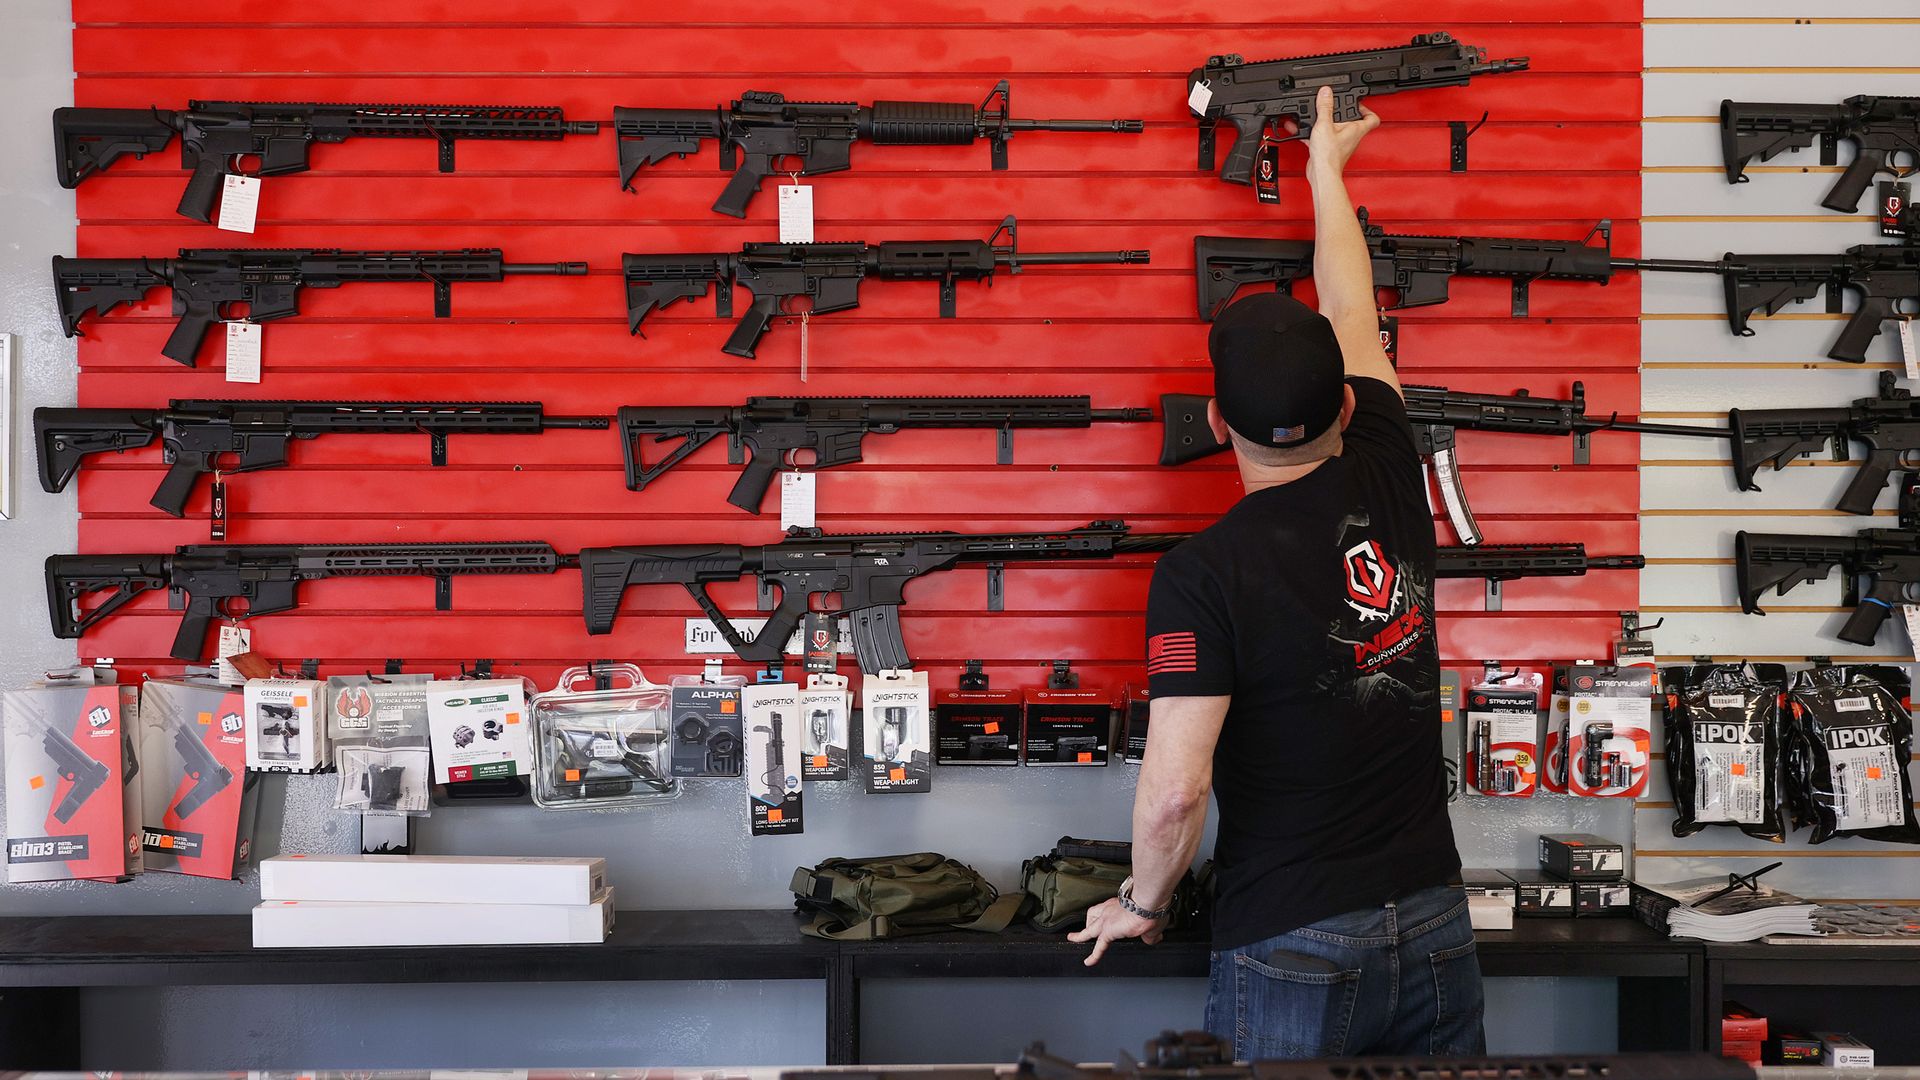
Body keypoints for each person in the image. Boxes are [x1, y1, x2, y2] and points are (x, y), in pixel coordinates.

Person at [1068, 86, 1484, 1059]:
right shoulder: (1390, 471)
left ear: (1217, 427)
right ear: (1348, 404)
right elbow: (1352, 306)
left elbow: (1176, 793)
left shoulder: (1203, 574)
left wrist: (1141, 901)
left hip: (1291, 938)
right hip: (1432, 919)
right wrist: (1326, 175)